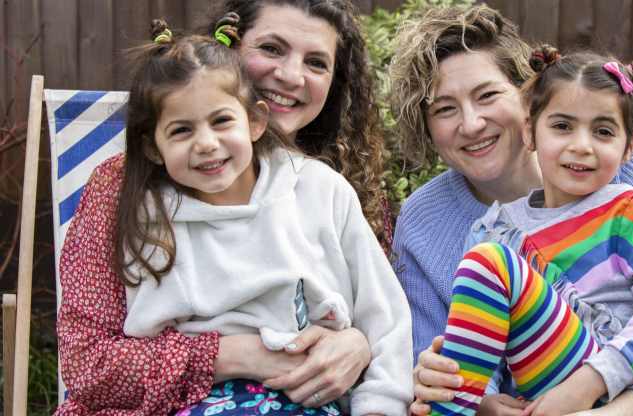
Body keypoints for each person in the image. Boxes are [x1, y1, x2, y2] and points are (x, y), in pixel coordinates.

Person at [389, 5, 633, 416]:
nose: (472, 123)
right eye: (444, 109)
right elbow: (436, 359)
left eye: (488, 95)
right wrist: (474, 400)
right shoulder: (427, 220)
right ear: (425, 127)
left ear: (527, 100)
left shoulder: (621, 175)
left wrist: (613, 409)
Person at [56, 1, 395, 414]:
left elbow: (386, 316)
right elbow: (88, 366)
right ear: (228, 47)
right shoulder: (127, 190)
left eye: (317, 63)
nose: (290, 76)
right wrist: (235, 355)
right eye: (271, 48)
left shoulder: (334, 188)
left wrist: (358, 344)